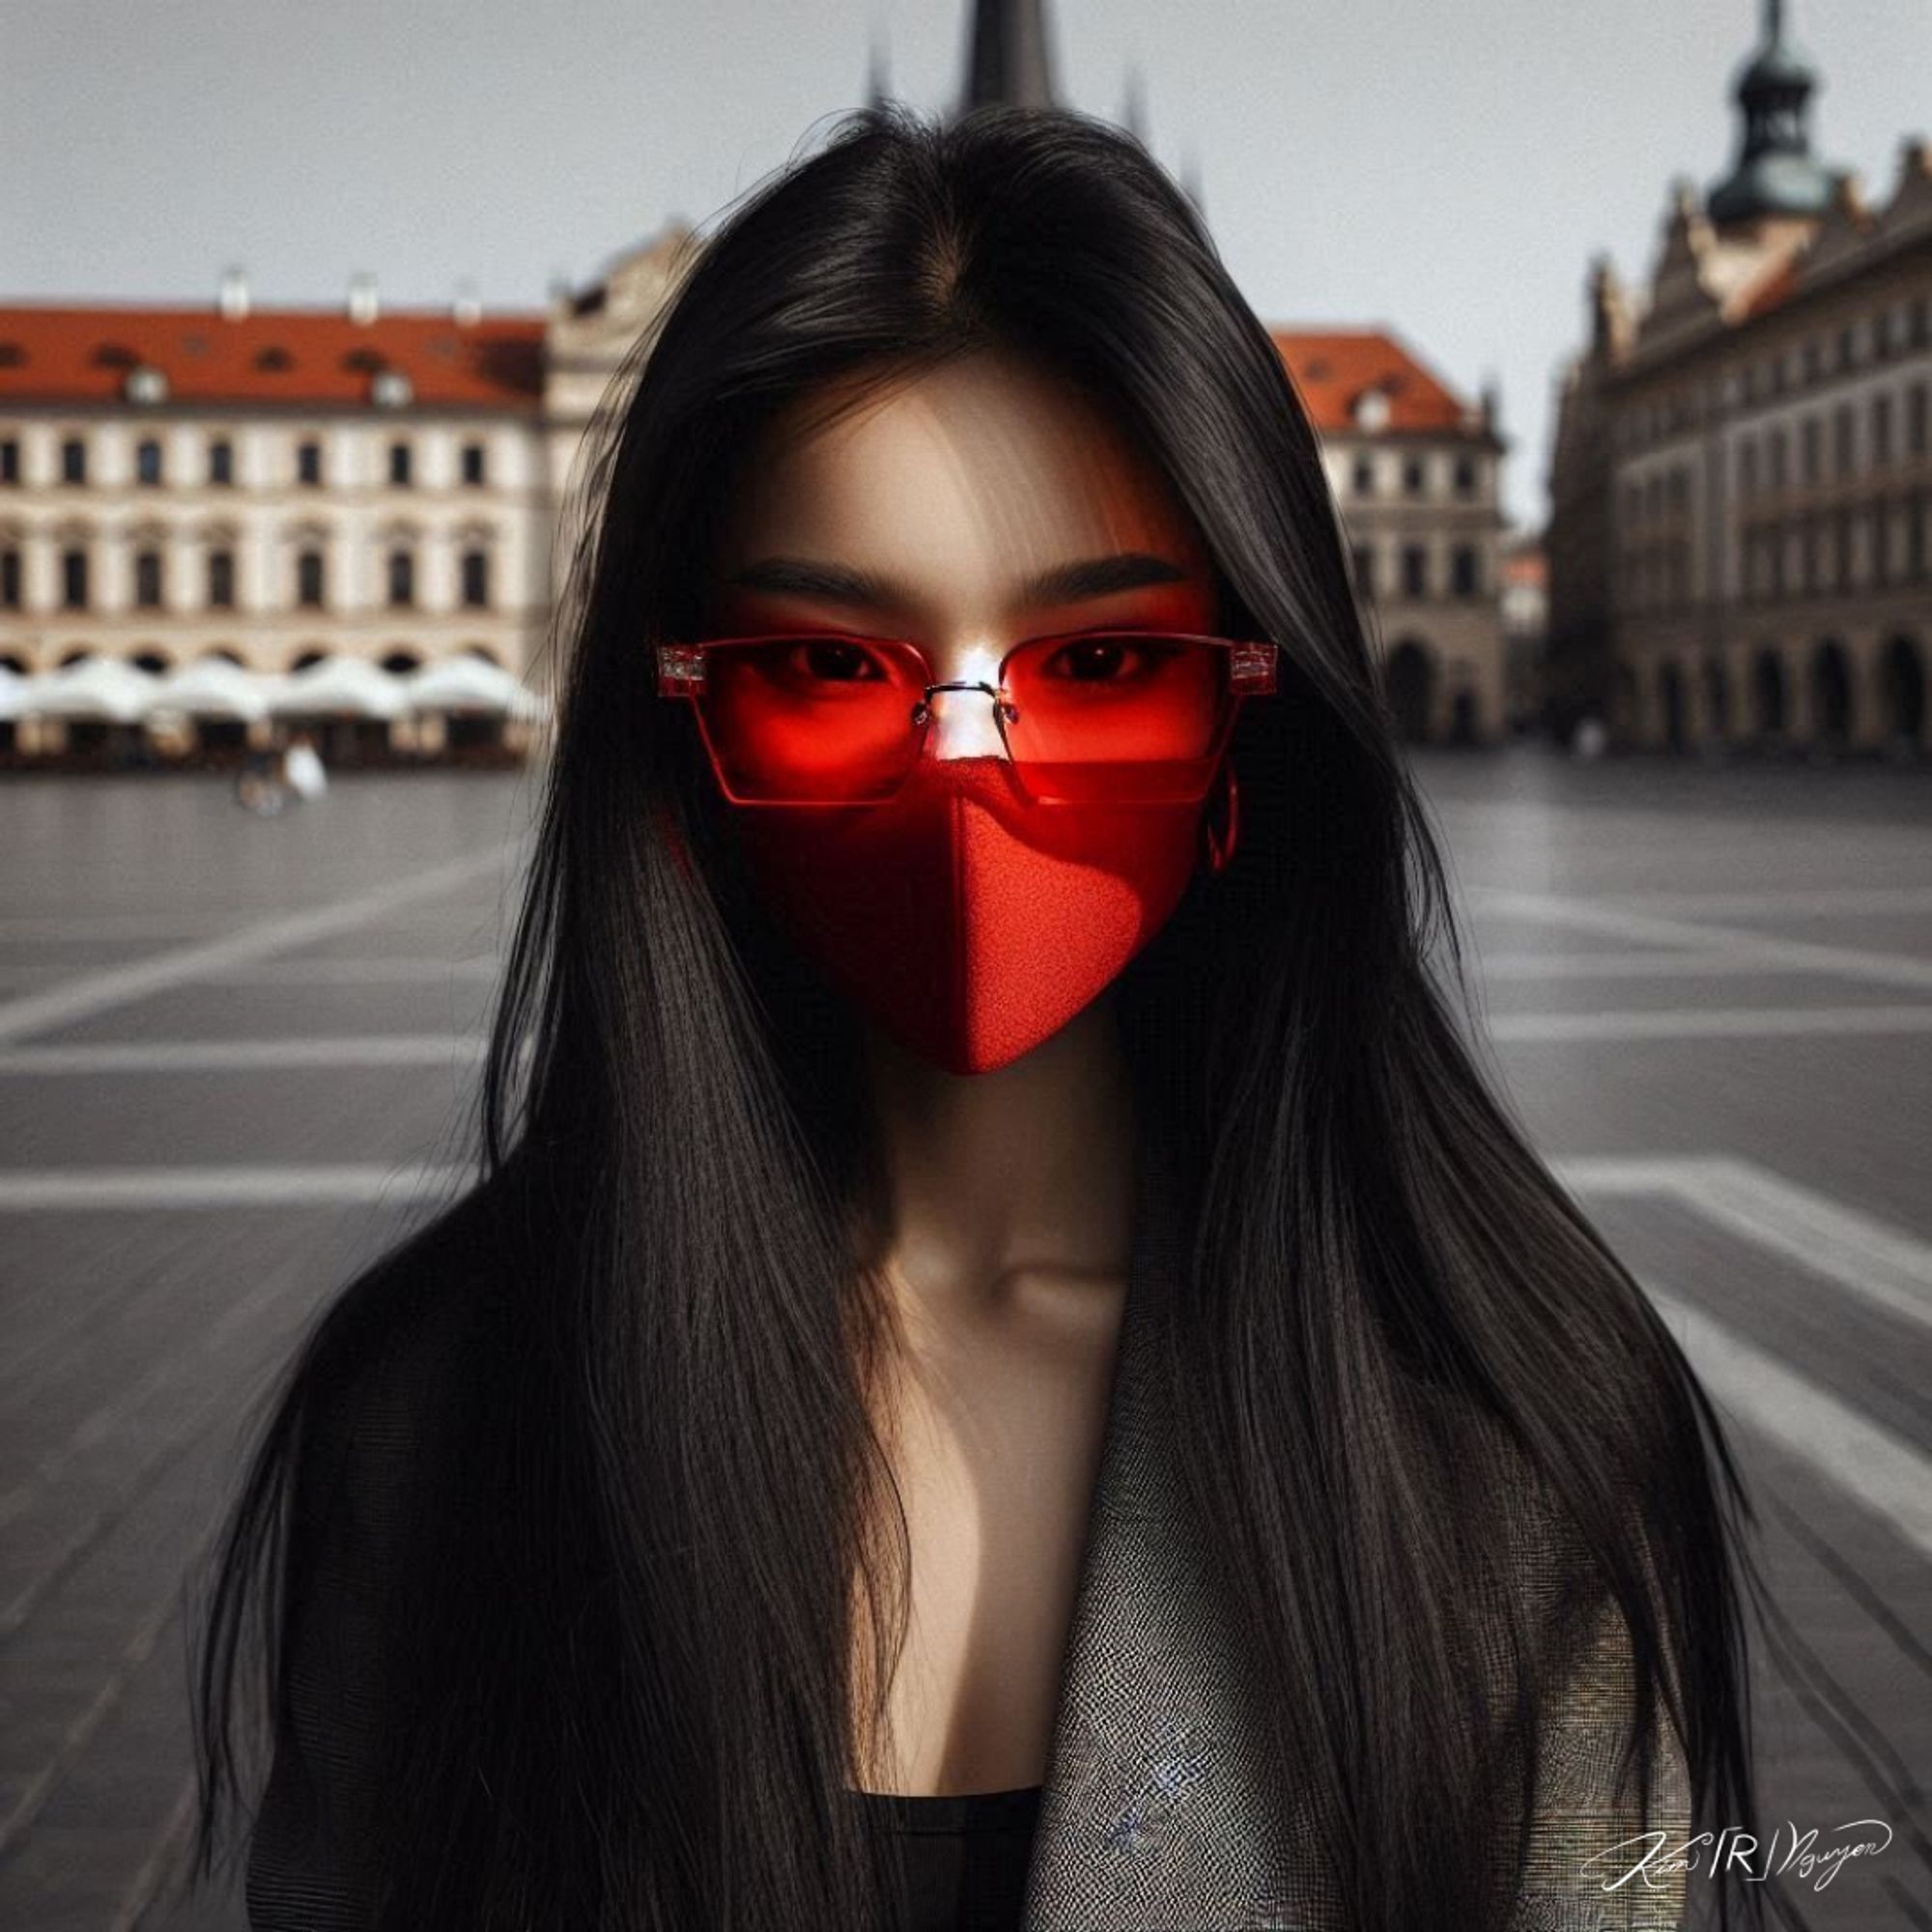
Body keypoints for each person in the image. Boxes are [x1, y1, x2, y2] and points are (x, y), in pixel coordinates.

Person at [187, 106, 1776, 1932]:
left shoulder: (1516, 1437)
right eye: (820, 661)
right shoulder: (443, 1414)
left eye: (1099, 660)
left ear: (1250, 716)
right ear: (682, 731)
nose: (967, 767)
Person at [281, 728, 328, 801]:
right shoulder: (292, 753)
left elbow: (316, 771)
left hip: (314, 790)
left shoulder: (310, 752)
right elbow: (289, 772)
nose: (304, 740)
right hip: (297, 790)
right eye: (302, 738)